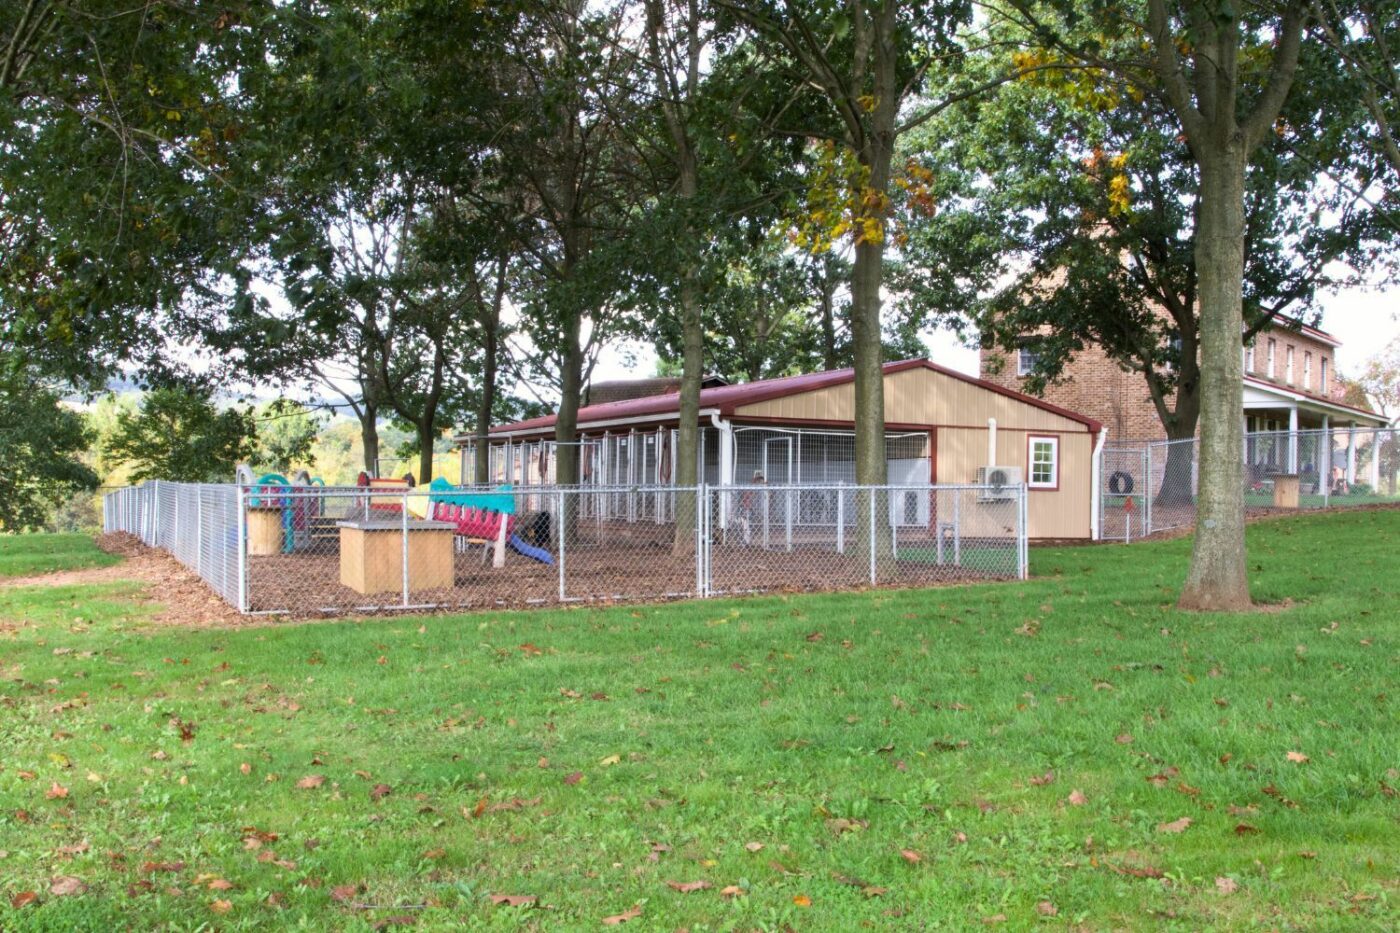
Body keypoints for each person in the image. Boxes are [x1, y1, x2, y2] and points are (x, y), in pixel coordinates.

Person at [736, 471, 765, 545]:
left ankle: (746, 542)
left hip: (747, 510)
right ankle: (745, 542)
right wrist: (746, 508)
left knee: (747, 528)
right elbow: (746, 500)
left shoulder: (754, 490)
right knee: (746, 528)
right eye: (758, 482)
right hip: (744, 511)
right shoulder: (750, 489)